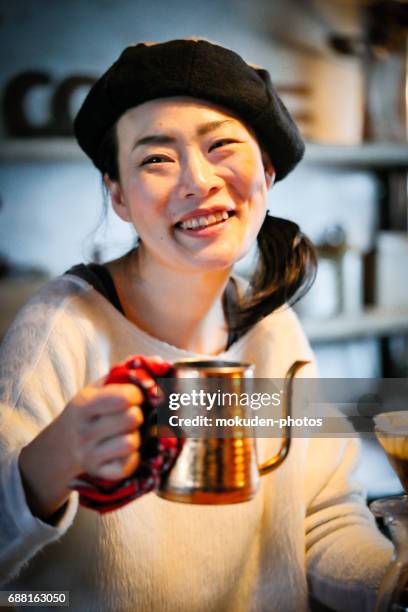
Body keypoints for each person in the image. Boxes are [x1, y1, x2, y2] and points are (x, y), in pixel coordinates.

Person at [0, 38, 393, 611]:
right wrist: (48, 465)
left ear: (267, 171)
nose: (197, 180)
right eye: (156, 158)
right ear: (119, 196)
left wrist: (391, 586)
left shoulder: (274, 331)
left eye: (222, 146)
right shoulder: (61, 329)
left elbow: (323, 517)